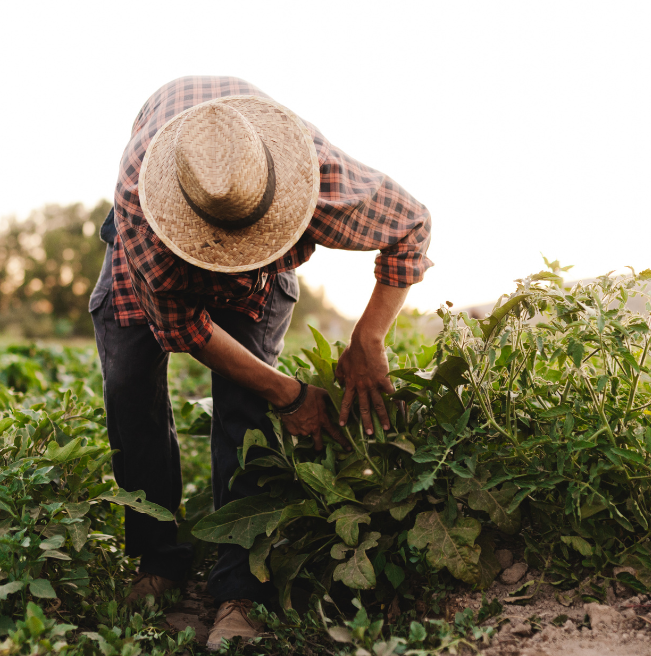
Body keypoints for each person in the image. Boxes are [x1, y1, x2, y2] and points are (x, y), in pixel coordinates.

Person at [88, 76, 432, 650]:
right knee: (129, 389)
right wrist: (292, 394)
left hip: (263, 252)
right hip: (152, 255)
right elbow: (186, 329)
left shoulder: (315, 176)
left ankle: (239, 590)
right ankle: (160, 558)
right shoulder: (143, 211)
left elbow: (412, 227)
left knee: (246, 413)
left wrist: (369, 339)